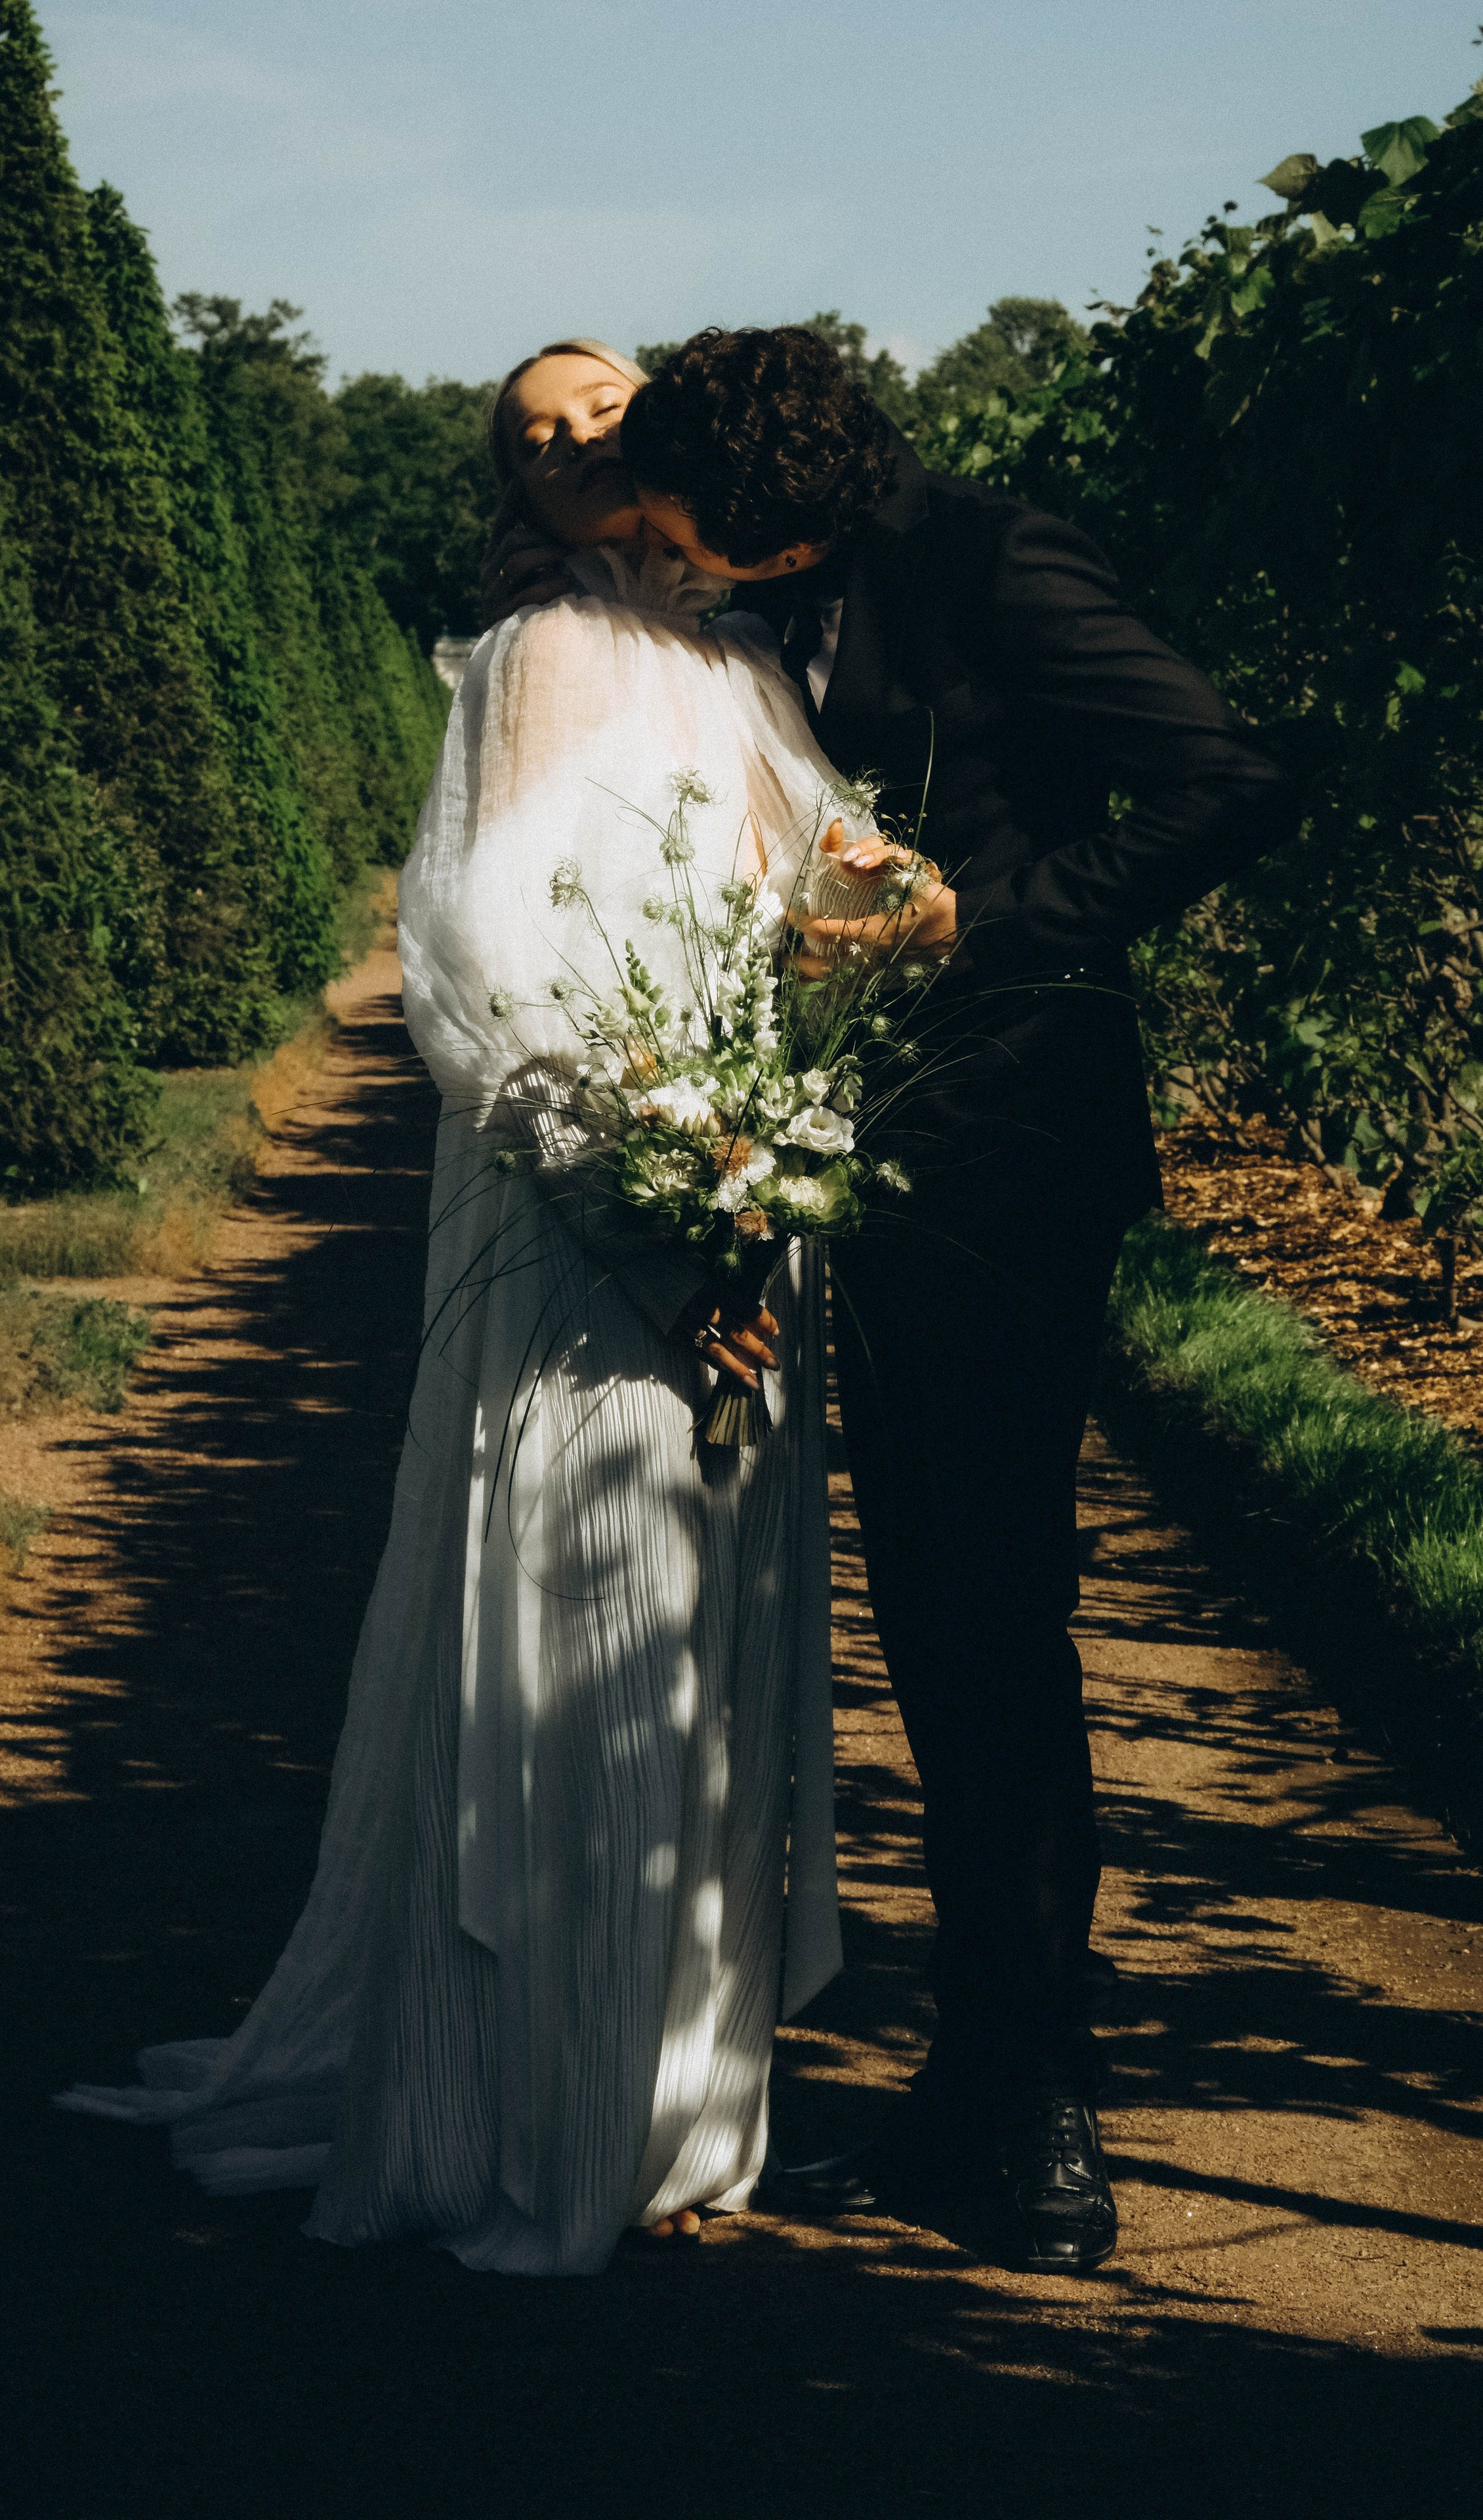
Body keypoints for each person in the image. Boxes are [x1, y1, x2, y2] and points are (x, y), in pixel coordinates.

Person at [57, 341, 872, 2275]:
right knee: (594, 1630)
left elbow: (810, 899)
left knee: (707, 1654)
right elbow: (487, 964)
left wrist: (870, 936)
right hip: (606, 1225)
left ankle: (680, 2109)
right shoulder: (538, 661)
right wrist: (656, 1216)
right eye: (534, 433)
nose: (574, 436)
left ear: (666, 427)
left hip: (748, 1210)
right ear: (518, 495)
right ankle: (539, 2111)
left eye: (601, 401)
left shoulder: (747, 662)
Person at [622, 326, 1297, 2273]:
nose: (667, 548)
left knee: (993, 1621)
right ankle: (969, 2091)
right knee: (929, 1615)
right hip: (862, 1165)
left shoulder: (1001, 561)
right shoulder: (792, 601)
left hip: (1007, 1154)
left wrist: (984, 926)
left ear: (761, 500)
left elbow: (1241, 777)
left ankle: (1042, 2115)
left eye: (684, 519)